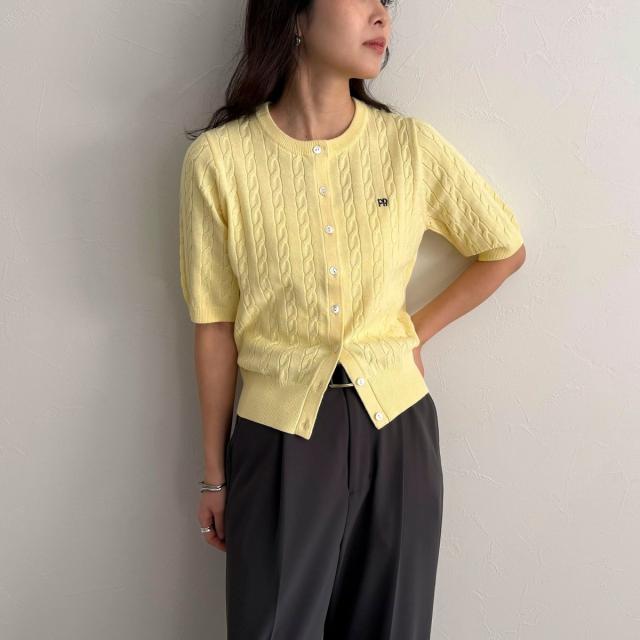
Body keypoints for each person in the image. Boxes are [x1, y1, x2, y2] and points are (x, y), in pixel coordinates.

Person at [179, 1, 526, 638]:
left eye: (386, 2)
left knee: (393, 625)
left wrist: (415, 333)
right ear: (295, 16)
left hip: (398, 427)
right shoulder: (220, 161)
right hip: (279, 435)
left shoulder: (408, 146)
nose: (381, 15)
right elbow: (214, 325)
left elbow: (503, 249)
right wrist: (213, 475)